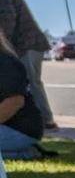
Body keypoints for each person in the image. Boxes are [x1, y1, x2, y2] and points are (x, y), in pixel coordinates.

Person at [0, 0, 56, 129]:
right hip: (20, 45)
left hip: (28, 45)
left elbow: (7, 20)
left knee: (30, 81)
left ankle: (46, 120)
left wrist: (4, 48)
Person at [0, 28, 44, 158]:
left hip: (19, 129)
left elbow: (15, 102)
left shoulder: (5, 62)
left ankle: (25, 152)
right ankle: (20, 152)